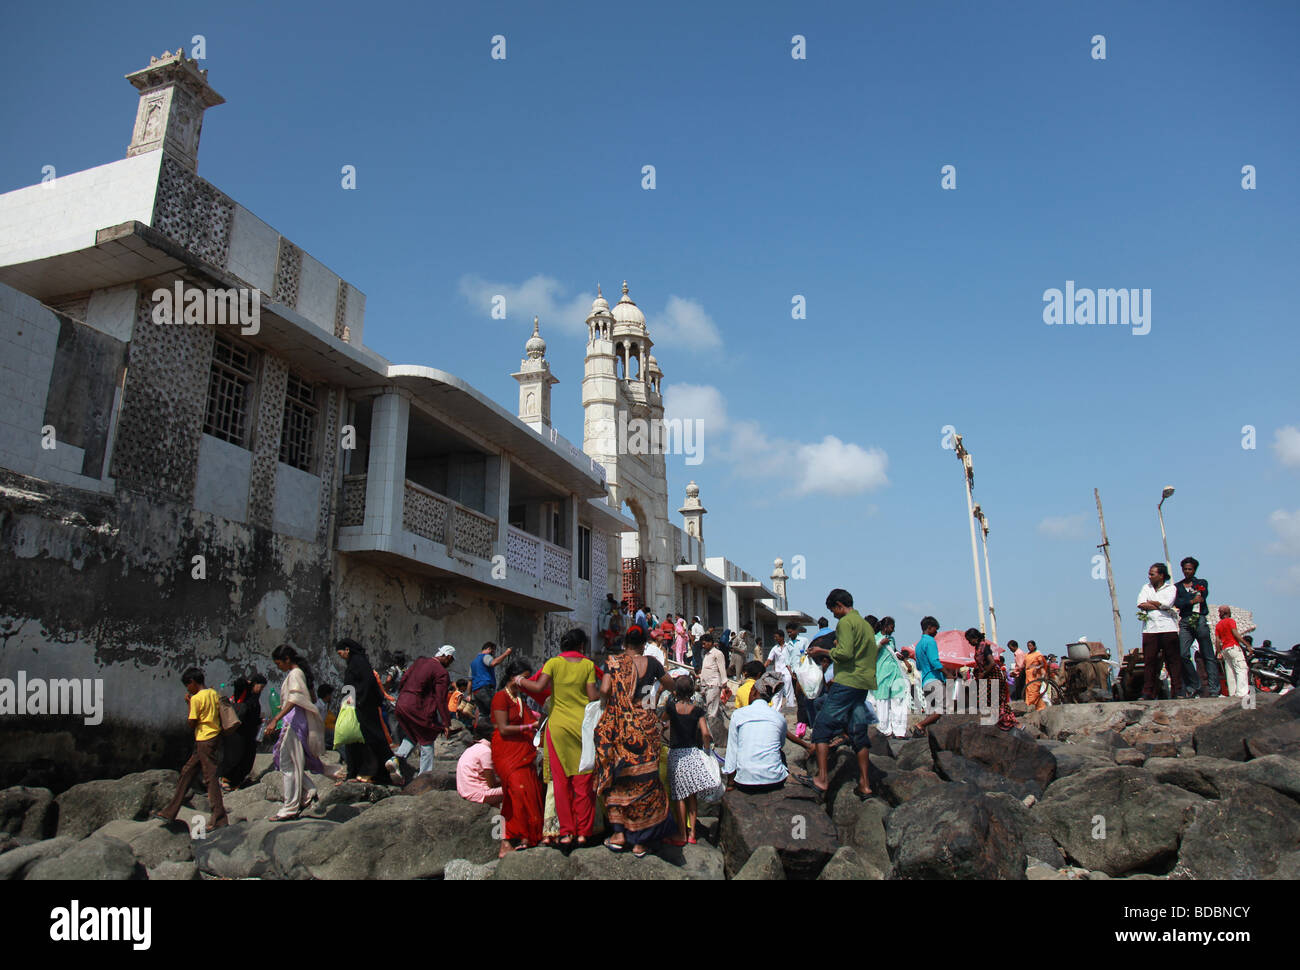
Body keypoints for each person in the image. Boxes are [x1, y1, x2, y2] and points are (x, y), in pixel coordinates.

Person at [593, 623, 678, 858]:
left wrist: (614, 704)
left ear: (625, 644)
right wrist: (655, 691)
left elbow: (606, 689)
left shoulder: (613, 662)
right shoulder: (652, 663)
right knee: (647, 783)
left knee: (617, 779)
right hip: (646, 726)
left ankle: (619, 834)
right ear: (643, 645)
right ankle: (641, 842)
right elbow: (671, 684)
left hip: (620, 727)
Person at [516, 627, 601, 848]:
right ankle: (583, 832)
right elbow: (593, 696)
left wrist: (520, 682)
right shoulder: (588, 665)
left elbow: (538, 686)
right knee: (583, 779)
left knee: (561, 781)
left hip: (558, 726)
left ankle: (566, 833)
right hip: (582, 726)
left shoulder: (553, 663)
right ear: (581, 646)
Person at [804, 588, 877, 800]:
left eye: (833, 610)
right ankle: (865, 784)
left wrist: (822, 651)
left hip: (847, 681)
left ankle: (822, 778)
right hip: (863, 683)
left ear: (838, 605)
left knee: (822, 727)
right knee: (858, 731)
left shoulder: (845, 623)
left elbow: (844, 653)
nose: (834, 615)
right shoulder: (865, 625)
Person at [155, 667, 229, 830]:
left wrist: (189, 704)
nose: (188, 689)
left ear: (193, 682)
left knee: (210, 778)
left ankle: (219, 818)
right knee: (187, 772)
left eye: (188, 685)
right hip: (214, 737)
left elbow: (191, 722)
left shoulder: (196, 699)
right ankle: (170, 811)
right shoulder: (213, 693)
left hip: (204, 739)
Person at [491, 658, 544, 856]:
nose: (527, 682)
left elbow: (533, 719)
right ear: (514, 677)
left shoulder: (520, 700)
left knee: (530, 791)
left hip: (523, 751)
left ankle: (525, 836)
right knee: (516, 793)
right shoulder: (500, 697)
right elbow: (503, 728)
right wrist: (528, 727)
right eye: (525, 678)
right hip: (507, 752)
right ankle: (505, 841)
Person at [723, 676, 810, 793]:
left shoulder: (738, 714)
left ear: (754, 692)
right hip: (774, 781)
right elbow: (780, 744)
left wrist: (730, 783)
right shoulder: (778, 717)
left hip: (745, 782)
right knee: (780, 753)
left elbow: (732, 750)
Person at [662, 675, 715, 845]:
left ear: (675, 691)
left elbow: (660, 721)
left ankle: (681, 834)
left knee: (678, 796)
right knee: (692, 796)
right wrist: (706, 750)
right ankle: (692, 833)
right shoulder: (698, 710)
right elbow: (706, 733)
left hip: (677, 754)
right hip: (693, 753)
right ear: (692, 691)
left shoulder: (671, 708)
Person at [335, 638, 394, 784]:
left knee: (373, 739)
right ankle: (356, 772)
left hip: (364, 707)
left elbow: (366, 683)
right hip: (358, 706)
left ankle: (381, 772)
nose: (341, 656)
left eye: (340, 652)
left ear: (347, 649)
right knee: (355, 740)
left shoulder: (358, 662)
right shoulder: (356, 663)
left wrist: (358, 700)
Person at [391, 647, 453, 779]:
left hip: (401, 703)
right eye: (451, 660)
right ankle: (424, 776)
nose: (450, 663)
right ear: (447, 656)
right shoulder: (441, 672)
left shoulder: (419, 661)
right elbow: (440, 699)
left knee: (413, 734)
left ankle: (396, 759)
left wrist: (402, 697)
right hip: (417, 706)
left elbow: (403, 679)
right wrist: (446, 722)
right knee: (427, 736)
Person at [1174, 557, 1220, 698]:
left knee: (1208, 655)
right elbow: (1178, 603)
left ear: (1194, 570)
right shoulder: (1177, 587)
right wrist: (1192, 600)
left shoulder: (1201, 583)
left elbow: (1203, 595)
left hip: (1199, 618)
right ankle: (1195, 685)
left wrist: (1188, 600)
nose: (1187, 571)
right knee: (1183, 654)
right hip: (1185, 621)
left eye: (1190, 569)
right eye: (1185, 569)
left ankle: (1214, 688)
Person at [1138, 563, 1184, 700]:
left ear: (1161, 575)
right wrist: (1158, 604)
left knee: (1173, 661)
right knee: (1150, 662)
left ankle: (1178, 690)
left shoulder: (1170, 588)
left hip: (1168, 627)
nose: (1149, 576)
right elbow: (1141, 604)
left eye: (1152, 574)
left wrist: (1153, 603)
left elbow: (1167, 604)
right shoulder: (1146, 588)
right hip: (1150, 629)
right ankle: (1148, 692)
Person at [220, 673, 266, 792]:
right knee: (234, 756)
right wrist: (248, 683)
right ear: (254, 684)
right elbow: (239, 683)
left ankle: (237, 781)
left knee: (248, 757)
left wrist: (260, 720)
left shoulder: (255, 699)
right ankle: (226, 780)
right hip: (239, 732)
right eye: (259, 686)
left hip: (250, 732)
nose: (261, 690)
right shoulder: (243, 693)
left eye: (263, 688)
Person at [870, 617, 913, 738]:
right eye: (891, 627)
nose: (893, 630)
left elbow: (893, 651)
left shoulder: (892, 639)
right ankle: (884, 730)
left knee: (898, 700)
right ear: (885, 627)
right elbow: (870, 653)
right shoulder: (875, 638)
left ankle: (899, 731)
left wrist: (900, 656)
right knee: (882, 702)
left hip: (895, 673)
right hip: (882, 674)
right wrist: (880, 644)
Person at [968, 628, 1017, 731]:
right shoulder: (978, 647)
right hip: (985, 677)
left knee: (997, 702)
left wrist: (983, 673)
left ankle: (1010, 723)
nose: (969, 642)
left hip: (992, 676)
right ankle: (993, 725)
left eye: (970, 640)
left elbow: (992, 662)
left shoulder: (984, 647)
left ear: (975, 638)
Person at [912, 616, 945, 735]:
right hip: (934, 679)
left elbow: (919, 666)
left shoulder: (919, 644)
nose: (936, 632)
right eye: (935, 629)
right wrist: (948, 674)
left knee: (931, 712)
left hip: (925, 681)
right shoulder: (930, 641)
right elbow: (934, 661)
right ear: (929, 628)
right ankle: (920, 725)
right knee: (939, 711)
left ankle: (926, 734)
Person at [470, 641, 513, 729]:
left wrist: (469, 694)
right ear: (489, 649)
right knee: (497, 709)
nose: (493, 654)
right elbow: (493, 663)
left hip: (476, 691)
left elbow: (470, 680)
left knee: (483, 714)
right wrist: (506, 654)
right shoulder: (486, 657)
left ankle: (481, 734)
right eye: (493, 651)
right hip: (485, 689)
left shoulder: (473, 662)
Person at [1214, 605, 1250, 698]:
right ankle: (1242, 693)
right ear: (1228, 612)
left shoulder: (1218, 625)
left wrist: (1218, 652)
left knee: (1230, 672)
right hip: (1233, 647)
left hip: (1225, 650)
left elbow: (1217, 641)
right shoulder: (1231, 621)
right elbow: (1235, 633)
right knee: (1241, 669)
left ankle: (1232, 692)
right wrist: (1247, 645)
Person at [456, 737, 503, 806]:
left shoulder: (473, 748)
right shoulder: (486, 751)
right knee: (518, 789)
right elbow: (491, 784)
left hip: (464, 790)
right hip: (477, 794)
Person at [697, 633, 728, 718]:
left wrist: (724, 683)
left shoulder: (717, 653)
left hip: (714, 685)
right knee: (708, 711)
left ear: (710, 642)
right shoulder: (706, 655)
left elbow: (722, 669)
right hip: (705, 686)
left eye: (704, 643)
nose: (703, 646)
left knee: (712, 712)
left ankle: (711, 730)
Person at [766, 629, 795, 712]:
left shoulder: (789, 646)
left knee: (789, 689)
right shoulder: (775, 648)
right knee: (777, 692)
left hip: (787, 672)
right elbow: (769, 660)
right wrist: (762, 667)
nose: (775, 639)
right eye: (774, 637)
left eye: (777, 637)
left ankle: (790, 707)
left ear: (782, 637)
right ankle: (775, 709)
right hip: (778, 673)